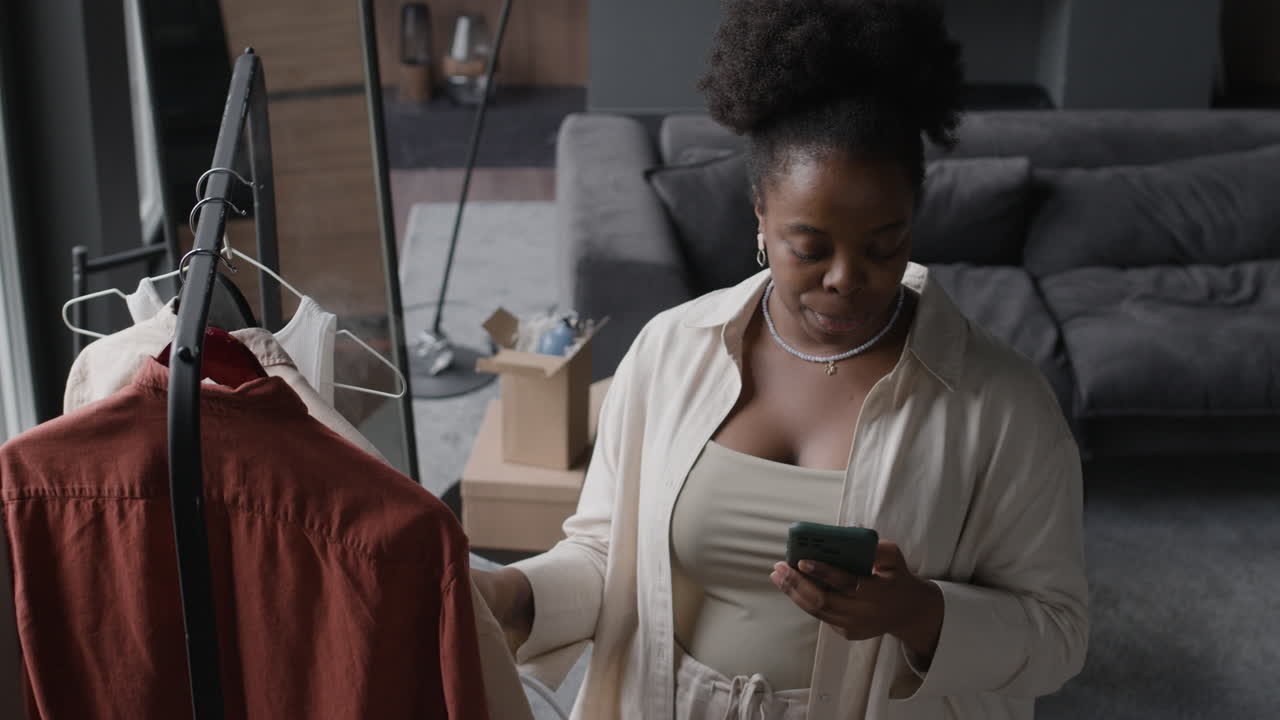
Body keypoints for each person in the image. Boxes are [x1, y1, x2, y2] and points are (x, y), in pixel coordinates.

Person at [473, 0, 1088, 717]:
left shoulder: (1002, 404)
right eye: (812, 247)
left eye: (884, 245)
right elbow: (613, 558)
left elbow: (1060, 633)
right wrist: (516, 595)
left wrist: (919, 614)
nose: (846, 278)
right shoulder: (671, 352)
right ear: (760, 211)